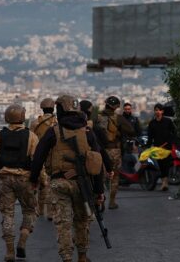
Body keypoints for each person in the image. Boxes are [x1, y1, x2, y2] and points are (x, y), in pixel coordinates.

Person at [30, 95, 105, 262]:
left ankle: (67, 258)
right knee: (82, 221)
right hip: (83, 184)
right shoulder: (87, 131)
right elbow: (97, 162)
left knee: (63, 224)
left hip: (59, 184)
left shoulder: (53, 131)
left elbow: (38, 157)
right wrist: (99, 191)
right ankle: (83, 256)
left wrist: (33, 179)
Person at [0, 104, 38, 262]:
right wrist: (39, 179)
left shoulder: (0, 135)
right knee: (29, 210)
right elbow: (37, 159)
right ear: (22, 117)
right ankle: (23, 237)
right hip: (25, 178)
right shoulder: (30, 136)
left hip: (5, 178)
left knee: (7, 214)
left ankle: (9, 251)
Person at [95, 96, 135, 209]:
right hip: (115, 150)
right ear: (116, 107)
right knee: (115, 176)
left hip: (101, 151)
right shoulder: (119, 118)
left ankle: (100, 201)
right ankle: (112, 202)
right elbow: (131, 130)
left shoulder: (97, 118)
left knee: (100, 177)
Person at [29, 97, 57, 221]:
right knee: (50, 184)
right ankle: (49, 211)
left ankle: (39, 210)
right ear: (53, 108)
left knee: (39, 184)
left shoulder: (35, 123)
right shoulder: (56, 122)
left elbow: (29, 139)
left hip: (37, 155)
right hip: (52, 157)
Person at [80, 100, 114, 180]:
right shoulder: (95, 128)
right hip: (92, 165)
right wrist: (109, 168)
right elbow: (102, 148)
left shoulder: (67, 127)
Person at [147, 103, 177, 191]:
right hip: (157, 147)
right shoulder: (152, 123)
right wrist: (148, 146)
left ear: (162, 111)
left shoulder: (168, 121)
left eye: (159, 110)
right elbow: (150, 136)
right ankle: (164, 181)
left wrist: (170, 142)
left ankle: (165, 182)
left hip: (167, 147)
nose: (157, 112)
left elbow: (174, 132)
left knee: (166, 164)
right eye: (156, 110)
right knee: (160, 164)